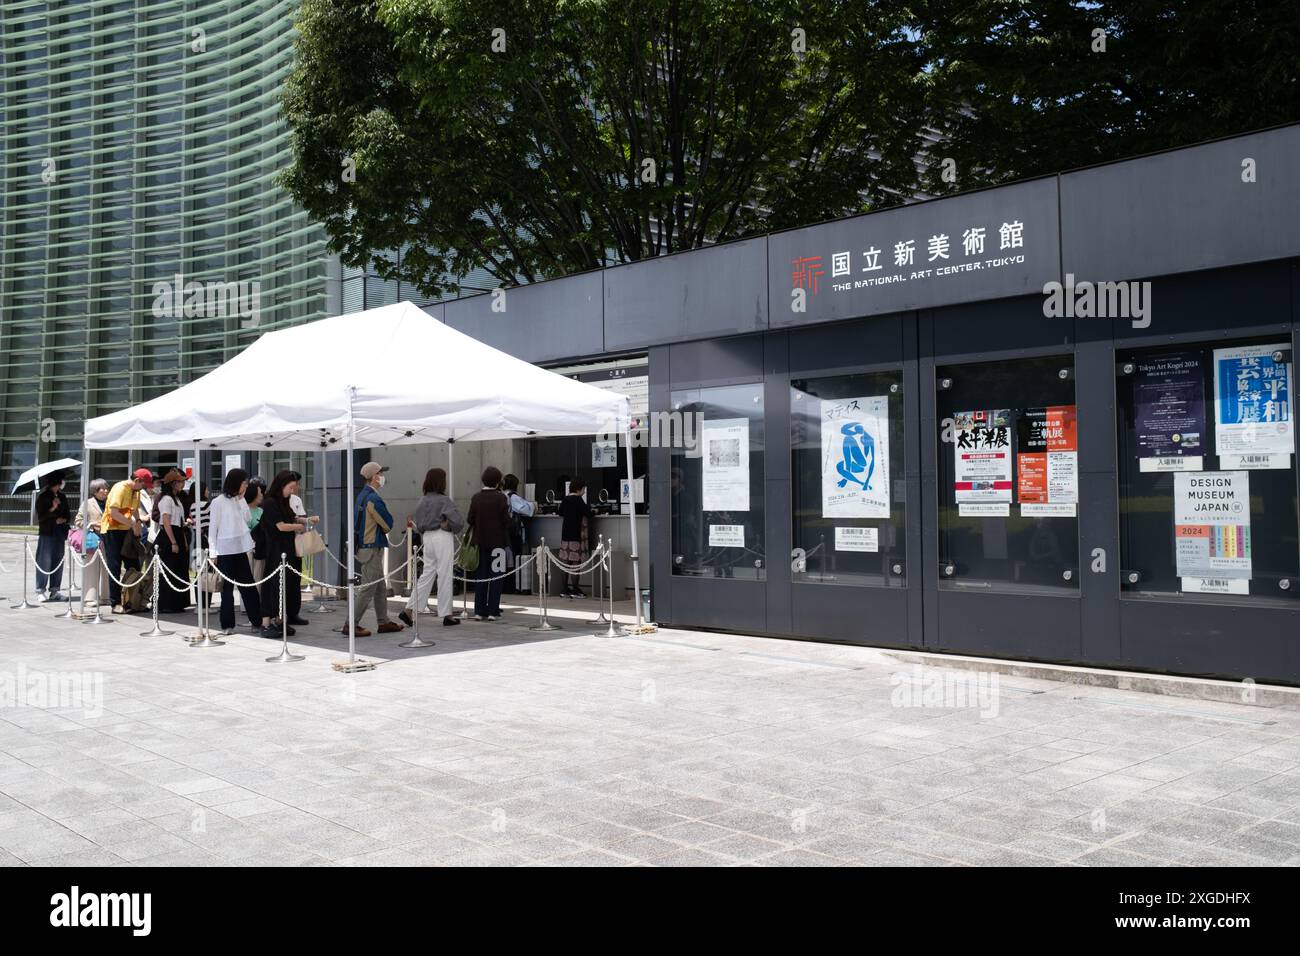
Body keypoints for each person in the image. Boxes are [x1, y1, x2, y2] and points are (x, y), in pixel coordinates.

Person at [342, 461, 403, 637]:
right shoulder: (373, 498)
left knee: (379, 587)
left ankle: (383, 622)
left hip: (364, 546)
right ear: (375, 477)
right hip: (372, 547)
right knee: (368, 588)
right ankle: (350, 624)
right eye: (381, 473)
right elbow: (387, 524)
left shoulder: (362, 495)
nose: (383, 476)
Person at [399, 467, 463, 628]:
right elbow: (458, 522)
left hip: (427, 537)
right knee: (445, 574)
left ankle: (409, 609)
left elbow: (419, 525)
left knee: (427, 574)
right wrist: (448, 526)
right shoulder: (444, 500)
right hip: (442, 536)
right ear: (441, 481)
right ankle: (446, 614)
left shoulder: (422, 500)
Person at [258, 469, 318, 637]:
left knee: (285, 585)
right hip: (275, 550)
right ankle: (265, 624)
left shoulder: (283, 501)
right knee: (273, 585)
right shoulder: (270, 502)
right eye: (290, 487)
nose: (293, 491)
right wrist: (298, 527)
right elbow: (280, 525)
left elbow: (292, 517)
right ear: (281, 485)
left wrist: (306, 520)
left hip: (287, 549)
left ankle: (280, 620)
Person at [206, 468, 263, 634]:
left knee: (248, 586)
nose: (245, 486)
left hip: (240, 549)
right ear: (236, 482)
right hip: (224, 551)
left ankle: (257, 621)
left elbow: (247, 519)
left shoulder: (240, 500)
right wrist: (213, 553)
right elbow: (212, 529)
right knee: (227, 590)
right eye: (244, 483)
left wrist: (241, 500)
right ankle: (227, 625)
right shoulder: (218, 502)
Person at [100, 468, 153, 613]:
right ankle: (115, 603)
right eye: (143, 484)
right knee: (115, 566)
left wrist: (137, 523)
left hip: (127, 531)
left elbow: (134, 510)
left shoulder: (136, 492)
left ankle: (133, 601)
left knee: (134, 566)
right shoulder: (119, 488)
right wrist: (133, 524)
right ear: (137, 481)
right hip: (112, 531)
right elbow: (113, 513)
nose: (144, 488)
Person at [466, 466, 510, 621]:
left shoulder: (476, 497)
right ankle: (493, 610)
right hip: (497, 544)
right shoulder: (501, 498)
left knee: (481, 577)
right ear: (498, 481)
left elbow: (469, 519)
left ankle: (479, 610)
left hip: (479, 543)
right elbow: (506, 521)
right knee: (496, 577)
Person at [152, 469, 191, 613]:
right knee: (169, 569)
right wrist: (173, 542)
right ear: (173, 483)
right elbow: (166, 522)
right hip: (169, 535)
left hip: (178, 533)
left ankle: (177, 603)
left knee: (179, 569)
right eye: (180, 481)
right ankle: (166, 603)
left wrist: (183, 541)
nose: (182, 484)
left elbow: (178, 522)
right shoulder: (166, 499)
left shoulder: (177, 499)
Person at [34, 474, 71, 601]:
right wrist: (53, 508)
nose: (61, 485)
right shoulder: (43, 497)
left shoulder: (62, 496)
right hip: (47, 533)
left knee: (58, 562)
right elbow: (41, 517)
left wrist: (63, 519)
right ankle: (40, 590)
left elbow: (68, 514)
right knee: (44, 561)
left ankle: (55, 590)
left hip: (59, 533)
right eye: (59, 483)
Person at [74, 479, 110, 608]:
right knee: (91, 568)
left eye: (106, 488)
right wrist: (91, 525)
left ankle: (107, 596)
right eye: (102, 488)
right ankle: (90, 598)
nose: (106, 491)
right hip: (93, 539)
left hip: (109, 538)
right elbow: (78, 521)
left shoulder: (110, 503)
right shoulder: (88, 503)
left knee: (107, 568)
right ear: (95, 491)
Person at [501, 474, 535, 594]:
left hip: (502, 532)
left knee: (504, 559)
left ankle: (504, 585)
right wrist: (533, 505)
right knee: (515, 558)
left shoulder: (501, 495)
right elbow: (527, 510)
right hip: (513, 533)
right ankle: (513, 586)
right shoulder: (513, 497)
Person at [245, 477, 267, 585]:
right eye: (259, 493)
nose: (262, 495)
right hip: (249, 551)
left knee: (260, 580)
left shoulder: (261, 511)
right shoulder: (245, 511)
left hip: (261, 550)